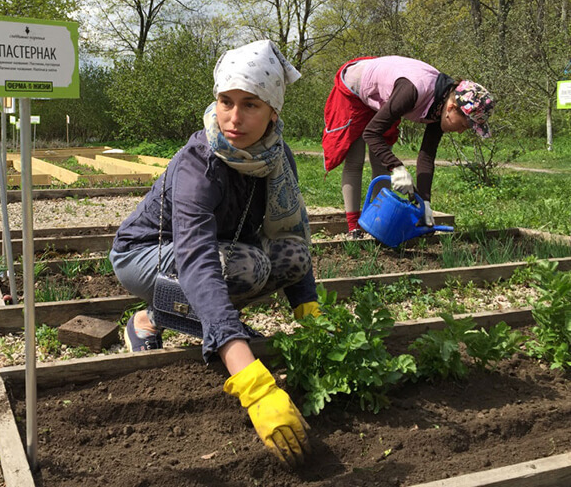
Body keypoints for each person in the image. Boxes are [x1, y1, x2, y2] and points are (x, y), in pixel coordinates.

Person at [110, 39, 316, 467]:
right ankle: (150, 316)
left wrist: (311, 316)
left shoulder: (278, 159)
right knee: (242, 267)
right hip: (146, 253)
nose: (234, 118)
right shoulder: (198, 162)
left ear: (273, 111)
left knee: (289, 257)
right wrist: (249, 378)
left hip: (220, 251)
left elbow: (294, 234)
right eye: (226, 101)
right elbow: (199, 258)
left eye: (251, 104)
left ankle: (211, 320)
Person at [322, 56, 495, 236]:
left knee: (381, 161)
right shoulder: (412, 91)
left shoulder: (441, 106)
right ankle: (353, 228)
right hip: (355, 89)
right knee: (355, 160)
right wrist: (397, 167)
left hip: (386, 94)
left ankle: (377, 223)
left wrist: (424, 203)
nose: (460, 132)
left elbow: (427, 156)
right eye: (462, 125)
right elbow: (371, 133)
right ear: (452, 107)